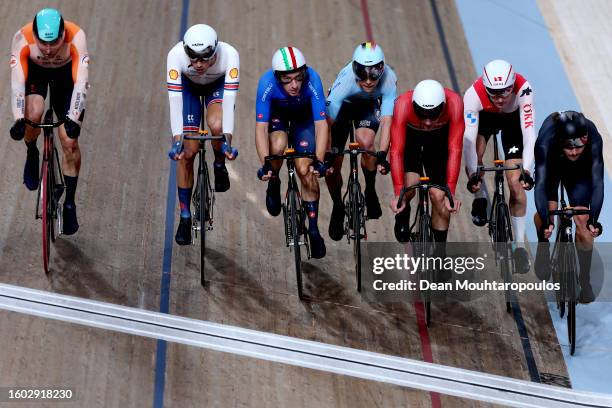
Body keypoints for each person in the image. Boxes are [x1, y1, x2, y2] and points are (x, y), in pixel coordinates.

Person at [9, 8, 89, 235]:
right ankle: (32, 152)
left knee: (69, 142)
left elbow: (81, 83)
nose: (48, 49)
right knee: (33, 115)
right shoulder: (21, 39)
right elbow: (17, 85)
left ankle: (70, 202)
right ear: (34, 35)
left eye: (54, 42)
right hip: (36, 75)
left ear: (63, 34)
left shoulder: (77, 37)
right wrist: (18, 119)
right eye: (43, 43)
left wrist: (73, 118)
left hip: (66, 79)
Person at [167, 24, 239, 245]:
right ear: (186, 50)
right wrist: (177, 139)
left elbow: (229, 102)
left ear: (215, 51)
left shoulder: (230, 55)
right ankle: (185, 216)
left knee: (216, 126)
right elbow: (175, 101)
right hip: (187, 89)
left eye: (204, 59)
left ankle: (219, 164)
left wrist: (226, 141)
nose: (198, 65)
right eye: (193, 58)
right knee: (188, 153)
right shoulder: (175, 55)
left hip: (217, 86)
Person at [254, 46, 329, 259]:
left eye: (298, 78)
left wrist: (320, 161)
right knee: (277, 145)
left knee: (306, 170)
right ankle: (275, 180)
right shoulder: (266, 84)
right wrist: (266, 163)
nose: (294, 85)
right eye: (287, 80)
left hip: (303, 118)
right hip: (278, 116)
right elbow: (261, 128)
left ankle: (313, 230)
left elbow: (321, 125)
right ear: (278, 78)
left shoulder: (313, 80)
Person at [463, 59, 535, 272]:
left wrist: (527, 171)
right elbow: (468, 140)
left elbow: (529, 135)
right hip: (485, 119)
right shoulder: (473, 95)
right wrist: (473, 175)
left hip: (513, 123)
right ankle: (480, 198)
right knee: (475, 153)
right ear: (485, 88)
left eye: (505, 92)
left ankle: (519, 246)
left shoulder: (524, 89)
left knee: (515, 184)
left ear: (513, 85)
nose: (500, 98)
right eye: (494, 93)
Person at [325, 42, 396, 241]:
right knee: (333, 164)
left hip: (367, 106)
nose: (368, 82)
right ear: (355, 69)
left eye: (373, 76)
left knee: (366, 143)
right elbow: (326, 124)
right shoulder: (345, 81)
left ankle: (370, 189)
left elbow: (387, 121)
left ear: (381, 70)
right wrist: (328, 154)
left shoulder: (389, 79)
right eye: (362, 76)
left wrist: (382, 154)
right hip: (342, 109)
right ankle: (338, 206)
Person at [533, 111, 603, 303]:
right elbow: (540, 185)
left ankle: (584, 279)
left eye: (578, 146)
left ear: (585, 138)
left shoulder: (594, 138)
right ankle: (543, 246)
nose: (573, 152)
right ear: (560, 140)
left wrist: (594, 220)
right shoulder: (545, 142)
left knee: (583, 221)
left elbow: (597, 182)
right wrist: (546, 220)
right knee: (548, 212)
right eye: (568, 147)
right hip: (552, 165)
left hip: (580, 172)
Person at [389, 80, 463, 249]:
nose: (428, 122)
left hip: (438, 141)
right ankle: (404, 214)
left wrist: (450, 192)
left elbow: (455, 150)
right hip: (411, 139)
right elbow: (396, 152)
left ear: (443, 106)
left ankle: (440, 254)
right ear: (414, 105)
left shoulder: (455, 103)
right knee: (410, 186)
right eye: (422, 114)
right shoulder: (402, 104)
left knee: (439, 196)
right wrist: (399, 195)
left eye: (433, 114)